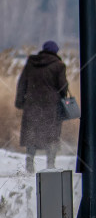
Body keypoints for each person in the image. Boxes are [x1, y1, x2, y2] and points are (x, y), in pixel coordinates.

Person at [15, 40, 68, 173]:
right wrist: (64, 97)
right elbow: (63, 87)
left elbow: (22, 83)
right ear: (55, 51)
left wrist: (19, 102)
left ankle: (29, 163)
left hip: (31, 105)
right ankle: (50, 164)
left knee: (31, 134)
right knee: (52, 135)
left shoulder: (31, 63)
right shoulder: (59, 65)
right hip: (51, 106)